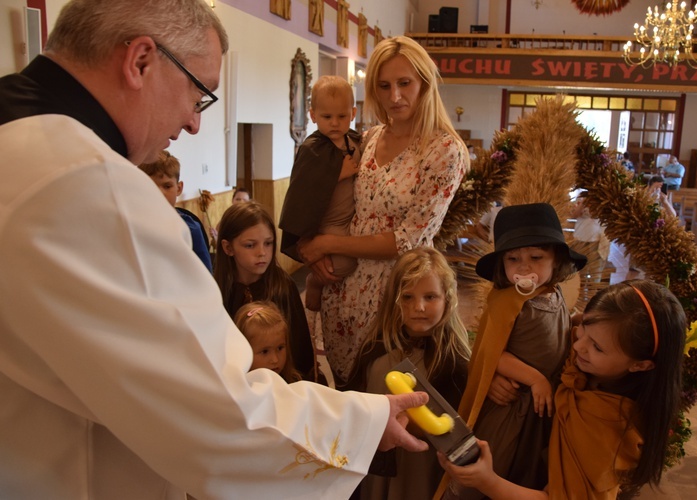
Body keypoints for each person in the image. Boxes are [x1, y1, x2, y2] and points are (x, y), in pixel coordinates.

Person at [0, 1, 429, 497]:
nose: (193, 124)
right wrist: (362, 422)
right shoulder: (91, 186)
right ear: (140, 61)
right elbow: (213, 403)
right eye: (199, 93)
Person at [297, 35, 468, 387]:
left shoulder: (443, 150)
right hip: (343, 288)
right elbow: (338, 201)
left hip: (396, 294)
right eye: (384, 85)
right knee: (345, 387)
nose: (395, 96)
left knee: (385, 393)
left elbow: (407, 241)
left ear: (424, 82)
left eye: (404, 83)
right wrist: (315, 249)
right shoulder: (371, 136)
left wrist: (328, 245)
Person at [438, 280, 686, 500]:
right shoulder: (589, 353)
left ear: (640, 365)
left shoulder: (606, 426)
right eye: (585, 328)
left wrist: (487, 481)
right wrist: (494, 374)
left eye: (597, 348)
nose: (578, 346)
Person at [440, 203, 586, 499]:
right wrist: (535, 379)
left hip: (541, 410)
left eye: (536, 257)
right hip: (513, 409)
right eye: (513, 258)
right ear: (502, 264)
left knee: (532, 470)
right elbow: (493, 352)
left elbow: (552, 335)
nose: (524, 266)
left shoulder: (553, 293)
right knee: (504, 466)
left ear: (556, 259)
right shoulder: (507, 301)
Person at [345, 248, 471, 499]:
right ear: (394, 299)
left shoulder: (453, 360)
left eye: (430, 297)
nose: (419, 307)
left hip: (423, 464)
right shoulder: (375, 349)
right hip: (379, 461)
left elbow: (460, 423)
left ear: (448, 298)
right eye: (407, 297)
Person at [279, 75, 360, 312]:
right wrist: (336, 173)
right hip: (328, 222)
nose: (334, 123)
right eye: (327, 117)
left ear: (353, 113)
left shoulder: (355, 141)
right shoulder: (311, 148)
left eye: (342, 116)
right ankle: (313, 283)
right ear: (313, 115)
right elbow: (303, 190)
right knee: (340, 266)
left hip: (352, 216)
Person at [215, 200, 318, 381]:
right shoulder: (218, 292)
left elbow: (301, 350)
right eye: (250, 245)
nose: (262, 252)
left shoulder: (283, 288)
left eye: (268, 243)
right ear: (228, 248)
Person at [138, 150, 213, 272]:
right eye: (151, 185)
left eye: (167, 186)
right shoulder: (133, 224)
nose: (160, 193)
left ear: (179, 188)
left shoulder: (190, 229)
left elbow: (206, 276)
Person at [234, 300, 302, 383]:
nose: (275, 360)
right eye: (265, 351)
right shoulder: (237, 391)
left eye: (280, 348)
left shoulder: (293, 383)